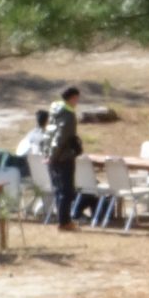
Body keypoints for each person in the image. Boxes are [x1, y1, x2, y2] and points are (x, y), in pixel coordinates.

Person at [47, 86, 84, 230]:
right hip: (63, 157)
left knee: (59, 190)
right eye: (77, 98)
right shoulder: (68, 115)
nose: (77, 102)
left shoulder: (55, 111)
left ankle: (62, 220)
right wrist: (54, 156)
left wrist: (50, 155)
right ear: (73, 98)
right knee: (67, 191)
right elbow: (61, 138)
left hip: (53, 156)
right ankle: (65, 222)